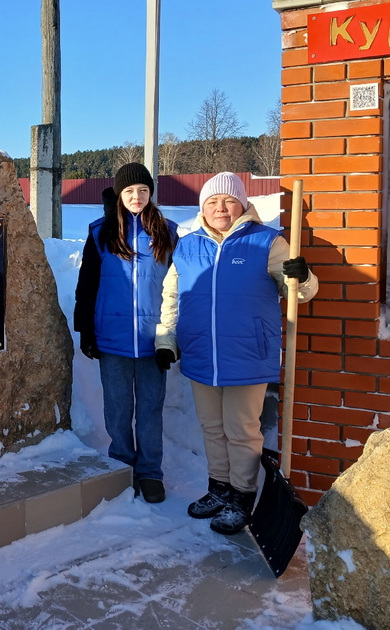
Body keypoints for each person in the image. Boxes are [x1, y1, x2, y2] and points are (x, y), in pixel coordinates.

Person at [155, 172, 317, 535]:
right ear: (203, 207)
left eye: (229, 200)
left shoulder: (267, 242)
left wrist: (303, 277)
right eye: (212, 201)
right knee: (212, 428)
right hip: (201, 353)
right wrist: (166, 339)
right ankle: (219, 488)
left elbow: (300, 293)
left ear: (242, 204)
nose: (221, 208)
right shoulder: (187, 245)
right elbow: (172, 296)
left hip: (248, 355)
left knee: (241, 429)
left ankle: (242, 497)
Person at [74, 163, 178, 504]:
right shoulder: (101, 232)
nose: (137, 197)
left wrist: (171, 338)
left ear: (151, 193)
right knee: (118, 410)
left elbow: (177, 288)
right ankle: (122, 465)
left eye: (143, 190)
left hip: (153, 341)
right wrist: (86, 329)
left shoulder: (168, 232)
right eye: (130, 191)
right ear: (119, 194)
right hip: (112, 337)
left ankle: (150, 472)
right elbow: (87, 284)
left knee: (150, 410)